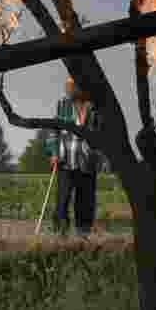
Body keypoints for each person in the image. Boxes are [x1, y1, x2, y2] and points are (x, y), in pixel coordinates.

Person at [43, 74, 101, 235]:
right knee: (62, 200)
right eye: (69, 86)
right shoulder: (63, 105)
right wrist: (53, 153)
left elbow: (102, 134)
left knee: (85, 200)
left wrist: (97, 152)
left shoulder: (95, 107)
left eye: (73, 86)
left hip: (87, 162)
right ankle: (60, 233)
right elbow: (53, 130)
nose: (70, 90)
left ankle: (83, 235)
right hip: (65, 160)